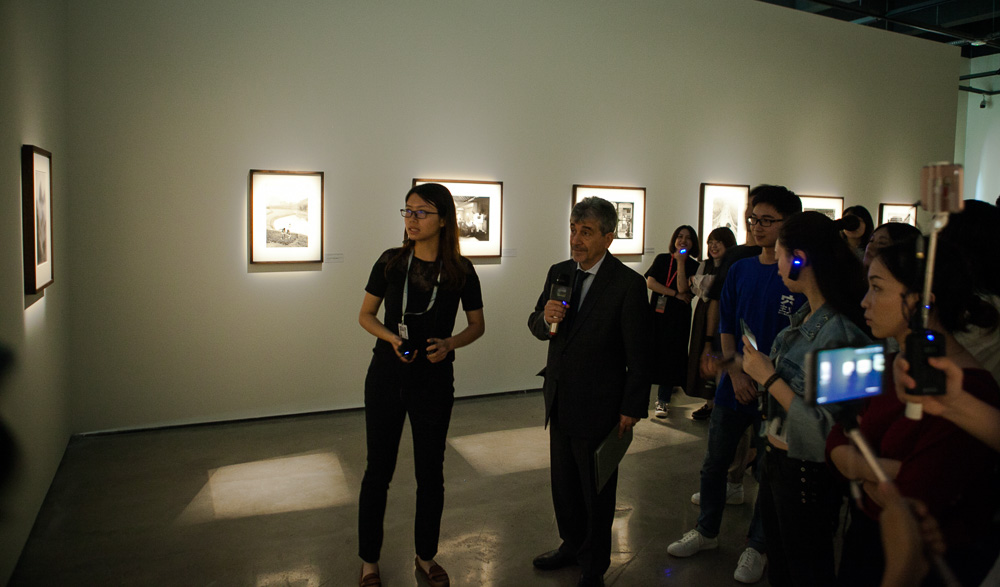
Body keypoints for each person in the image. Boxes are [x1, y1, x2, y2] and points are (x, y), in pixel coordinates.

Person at [826, 238, 1000, 587]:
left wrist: (858, 468)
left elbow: (913, 498)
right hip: (867, 543)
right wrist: (884, 471)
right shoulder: (887, 362)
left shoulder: (969, 390)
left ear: (921, 302)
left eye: (877, 288)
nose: (864, 301)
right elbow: (834, 441)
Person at [668, 185, 805, 585]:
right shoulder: (742, 268)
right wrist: (735, 372)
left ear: (788, 223)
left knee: (768, 470)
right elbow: (728, 323)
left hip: (777, 390)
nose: (757, 227)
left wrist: (763, 380)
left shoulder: (797, 276)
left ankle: (758, 545)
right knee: (715, 462)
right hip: (735, 384)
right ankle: (706, 529)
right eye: (753, 219)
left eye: (767, 220)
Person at [356, 183, 486, 587]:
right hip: (386, 375)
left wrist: (450, 344)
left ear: (443, 219)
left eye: (421, 212)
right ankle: (369, 562)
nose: (411, 219)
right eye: (407, 211)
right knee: (378, 471)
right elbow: (365, 315)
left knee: (431, 472)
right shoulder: (391, 262)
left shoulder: (461, 271)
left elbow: (477, 325)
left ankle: (426, 555)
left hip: (433, 380)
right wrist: (390, 338)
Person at [740, 212, 870, 587]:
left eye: (780, 256)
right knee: (782, 569)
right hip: (779, 462)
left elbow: (828, 432)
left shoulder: (842, 334)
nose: (777, 266)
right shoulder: (804, 318)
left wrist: (768, 376)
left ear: (798, 259)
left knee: (806, 571)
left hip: (807, 475)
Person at [528, 196, 653, 587]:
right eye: (572, 229)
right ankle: (571, 545)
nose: (575, 239)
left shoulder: (627, 284)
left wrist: (632, 407)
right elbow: (536, 323)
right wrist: (544, 317)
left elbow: (640, 353)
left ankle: (594, 566)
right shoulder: (560, 272)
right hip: (560, 397)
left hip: (601, 405)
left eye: (586, 232)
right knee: (563, 485)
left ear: (608, 237)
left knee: (595, 490)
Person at [644, 225, 700, 417]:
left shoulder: (694, 266)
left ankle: (662, 400)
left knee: (670, 356)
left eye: (688, 238)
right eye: (680, 236)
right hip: (657, 314)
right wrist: (674, 294)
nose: (683, 241)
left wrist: (681, 263)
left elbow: (684, 288)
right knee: (650, 353)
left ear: (693, 243)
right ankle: (641, 400)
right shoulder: (662, 259)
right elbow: (651, 283)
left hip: (678, 318)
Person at [687, 226, 737, 420]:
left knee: (719, 353)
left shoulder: (732, 266)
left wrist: (702, 282)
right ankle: (709, 402)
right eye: (711, 242)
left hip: (722, 317)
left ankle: (719, 403)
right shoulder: (705, 264)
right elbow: (696, 289)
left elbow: (707, 289)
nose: (714, 246)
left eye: (719, 242)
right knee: (702, 353)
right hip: (702, 315)